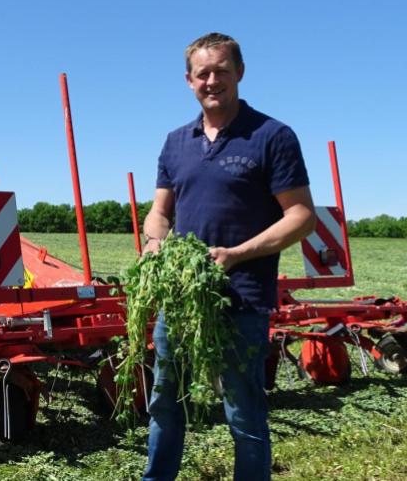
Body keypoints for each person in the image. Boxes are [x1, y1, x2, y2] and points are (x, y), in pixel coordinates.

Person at [140, 32, 316, 481]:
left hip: (243, 296)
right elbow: (159, 213)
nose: (212, 80)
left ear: (239, 72)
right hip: (182, 296)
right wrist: (155, 245)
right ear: (189, 80)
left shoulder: (271, 136)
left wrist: (237, 254)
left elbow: (301, 217)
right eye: (203, 73)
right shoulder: (176, 141)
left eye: (221, 70)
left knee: (243, 409)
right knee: (165, 400)